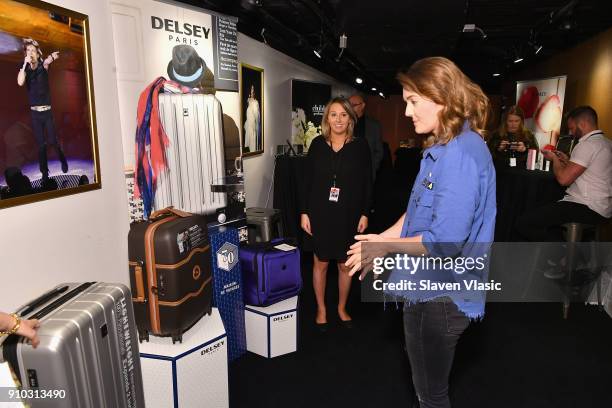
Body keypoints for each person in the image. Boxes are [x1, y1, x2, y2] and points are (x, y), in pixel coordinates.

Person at [346, 57, 496, 408]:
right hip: (430, 289)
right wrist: (382, 238)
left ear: (441, 97)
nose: (408, 111)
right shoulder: (443, 147)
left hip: (441, 298)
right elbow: (416, 212)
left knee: (430, 395)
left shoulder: (460, 155)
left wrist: (384, 248)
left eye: (413, 101)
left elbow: (443, 243)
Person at [300, 97, 372, 330]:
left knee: (344, 265)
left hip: (348, 213)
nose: (339, 119)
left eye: (343, 114)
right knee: (320, 263)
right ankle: (321, 308)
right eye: (334, 114)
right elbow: (306, 181)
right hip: (319, 212)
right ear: (327, 118)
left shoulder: (360, 146)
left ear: (350, 118)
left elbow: (367, 182)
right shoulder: (317, 145)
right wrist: (304, 212)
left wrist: (364, 213)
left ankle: (341, 307)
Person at [516, 106, 611, 276]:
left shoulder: (587, 145)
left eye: (572, 127)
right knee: (547, 213)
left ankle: (571, 256)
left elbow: (563, 179)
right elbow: (591, 173)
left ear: (582, 123)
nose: (571, 132)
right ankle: (568, 256)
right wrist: (567, 161)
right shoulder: (606, 143)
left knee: (525, 222)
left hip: (586, 206)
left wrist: (554, 159)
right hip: (603, 207)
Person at [17, 38, 68, 182]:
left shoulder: (42, 65)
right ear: (26, 53)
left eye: (33, 50)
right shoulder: (24, 67)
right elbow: (20, 82)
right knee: (41, 145)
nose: (31, 52)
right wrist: (25, 63)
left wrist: (51, 57)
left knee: (53, 141)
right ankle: (45, 173)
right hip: (35, 114)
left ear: (37, 53)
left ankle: (62, 160)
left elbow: (47, 62)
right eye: (28, 50)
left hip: (47, 112)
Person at [348, 94, 383, 181]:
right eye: (349, 105)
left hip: (366, 174)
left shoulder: (374, 125)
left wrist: (372, 168)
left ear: (362, 105)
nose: (350, 108)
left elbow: (379, 151)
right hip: (346, 172)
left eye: (353, 105)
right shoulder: (344, 123)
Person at [243, 84, 261, 153]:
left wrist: (256, 125)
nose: (252, 91)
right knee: (249, 145)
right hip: (249, 127)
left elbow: (257, 117)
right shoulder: (248, 100)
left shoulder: (256, 102)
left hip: (253, 127)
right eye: (251, 89)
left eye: (253, 89)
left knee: (253, 145)